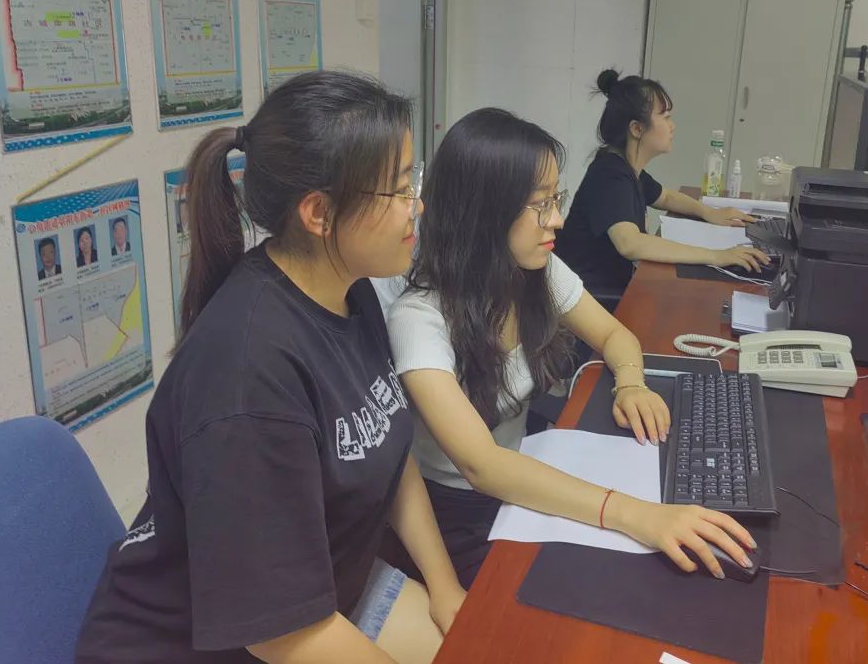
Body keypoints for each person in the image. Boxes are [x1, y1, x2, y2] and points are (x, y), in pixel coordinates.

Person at [75, 71, 465, 664]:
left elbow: (385, 444)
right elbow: (280, 635)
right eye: (397, 189)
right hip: (213, 642)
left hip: (327, 591)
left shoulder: (349, 288)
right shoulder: (247, 376)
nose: (418, 205)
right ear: (319, 213)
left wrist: (446, 586)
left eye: (412, 180)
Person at [387, 109, 756, 588]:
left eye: (555, 199)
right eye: (541, 205)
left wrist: (631, 384)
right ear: (486, 212)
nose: (557, 219)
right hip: (461, 513)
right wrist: (633, 514)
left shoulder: (534, 270)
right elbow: (481, 465)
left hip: (529, 470)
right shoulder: (419, 318)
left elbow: (616, 335)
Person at [554, 69, 767, 303]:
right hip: (588, 297)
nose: (672, 126)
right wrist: (717, 256)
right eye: (665, 117)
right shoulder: (610, 176)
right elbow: (630, 243)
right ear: (637, 129)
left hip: (611, 286)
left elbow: (665, 197)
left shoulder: (626, 167)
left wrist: (709, 213)